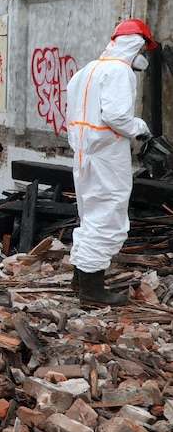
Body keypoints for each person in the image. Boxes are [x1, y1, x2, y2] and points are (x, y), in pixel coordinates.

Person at [65, 19, 157, 306]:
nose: (144, 55)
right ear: (137, 44)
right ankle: (92, 291)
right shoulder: (119, 72)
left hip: (84, 154)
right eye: (144, 47)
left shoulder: (87, 70)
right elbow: (116, 117)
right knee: (107, 219)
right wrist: (140, 128)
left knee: (90, 216)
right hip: (105, 154)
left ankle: (80, 279)